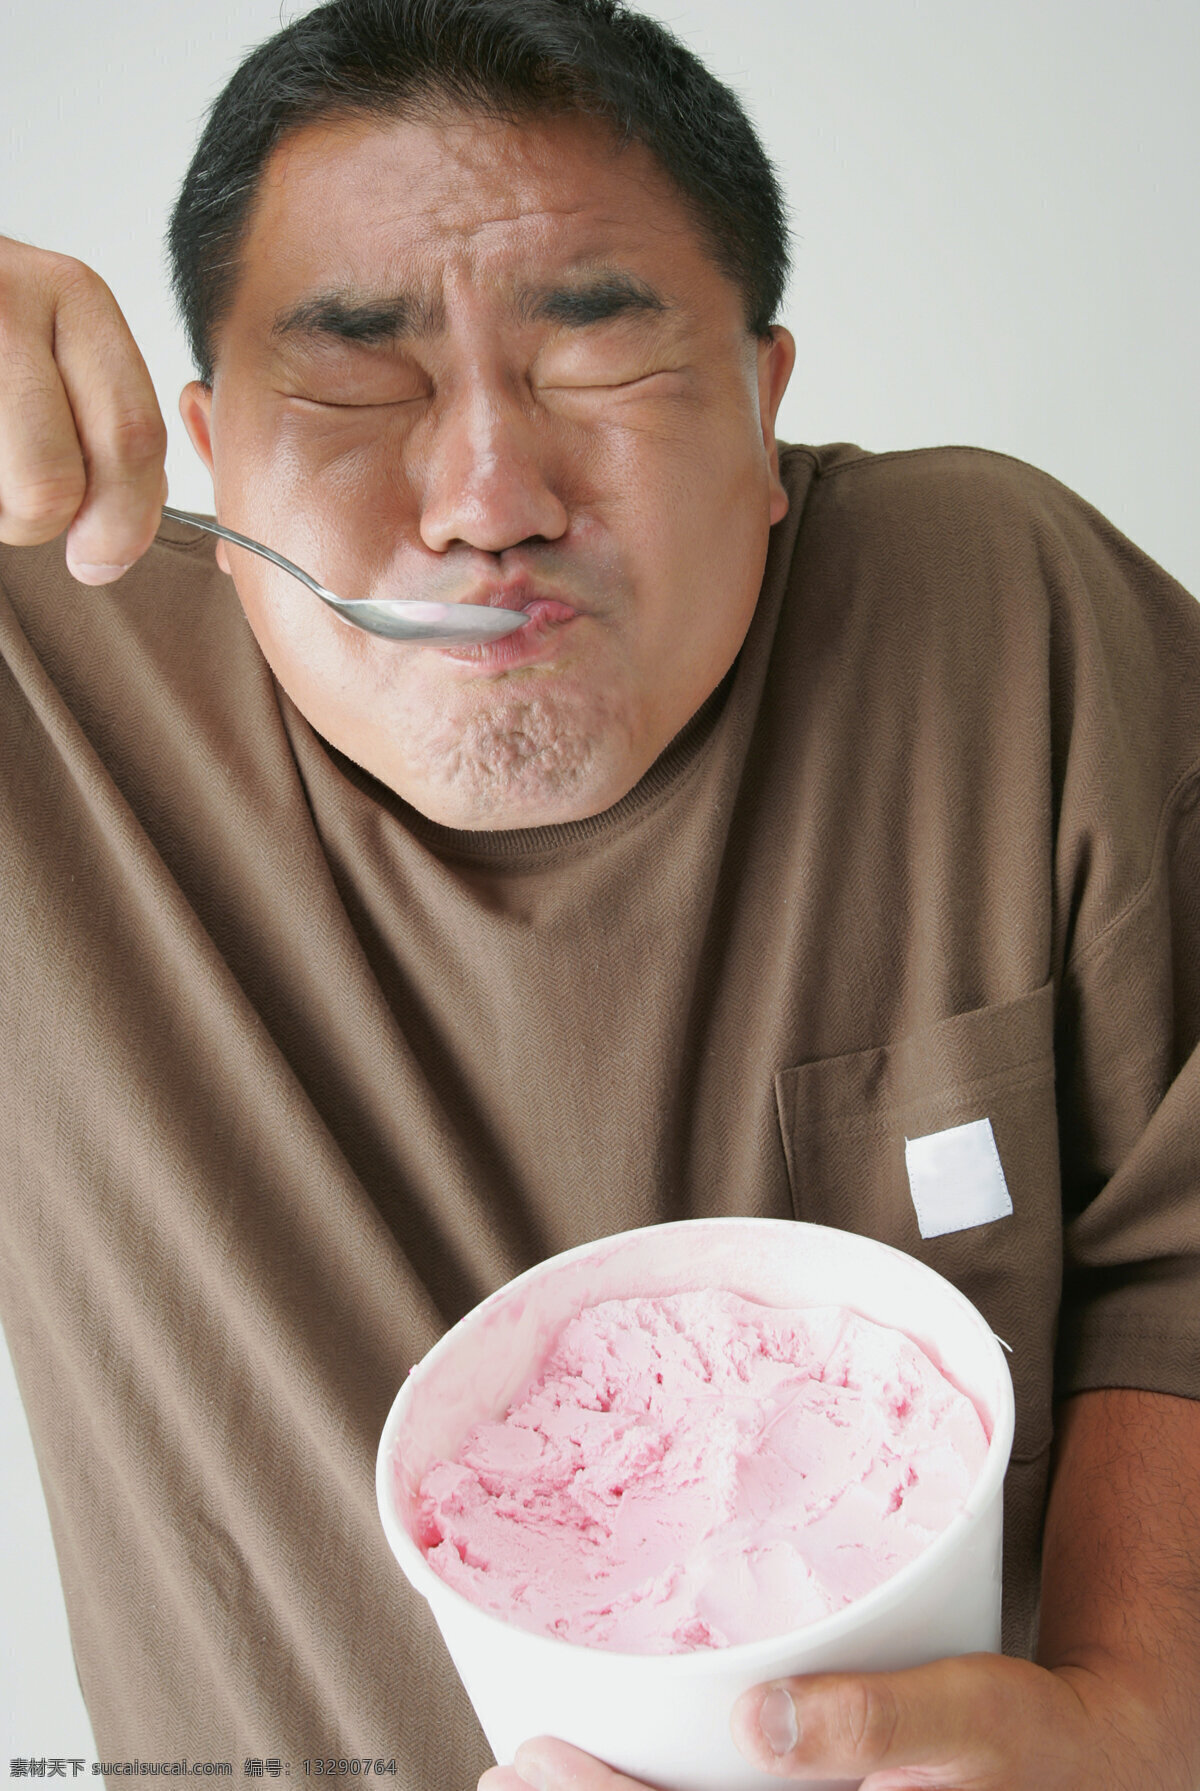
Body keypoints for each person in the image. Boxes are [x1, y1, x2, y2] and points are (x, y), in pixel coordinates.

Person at [1, 0, 1198, 1786]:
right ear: (206, 435)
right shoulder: (43, 684)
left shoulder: (1000, 617)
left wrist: (1137, 1714)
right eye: (355, 373)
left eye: (596, 360)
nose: (490, 497)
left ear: (765, 402)